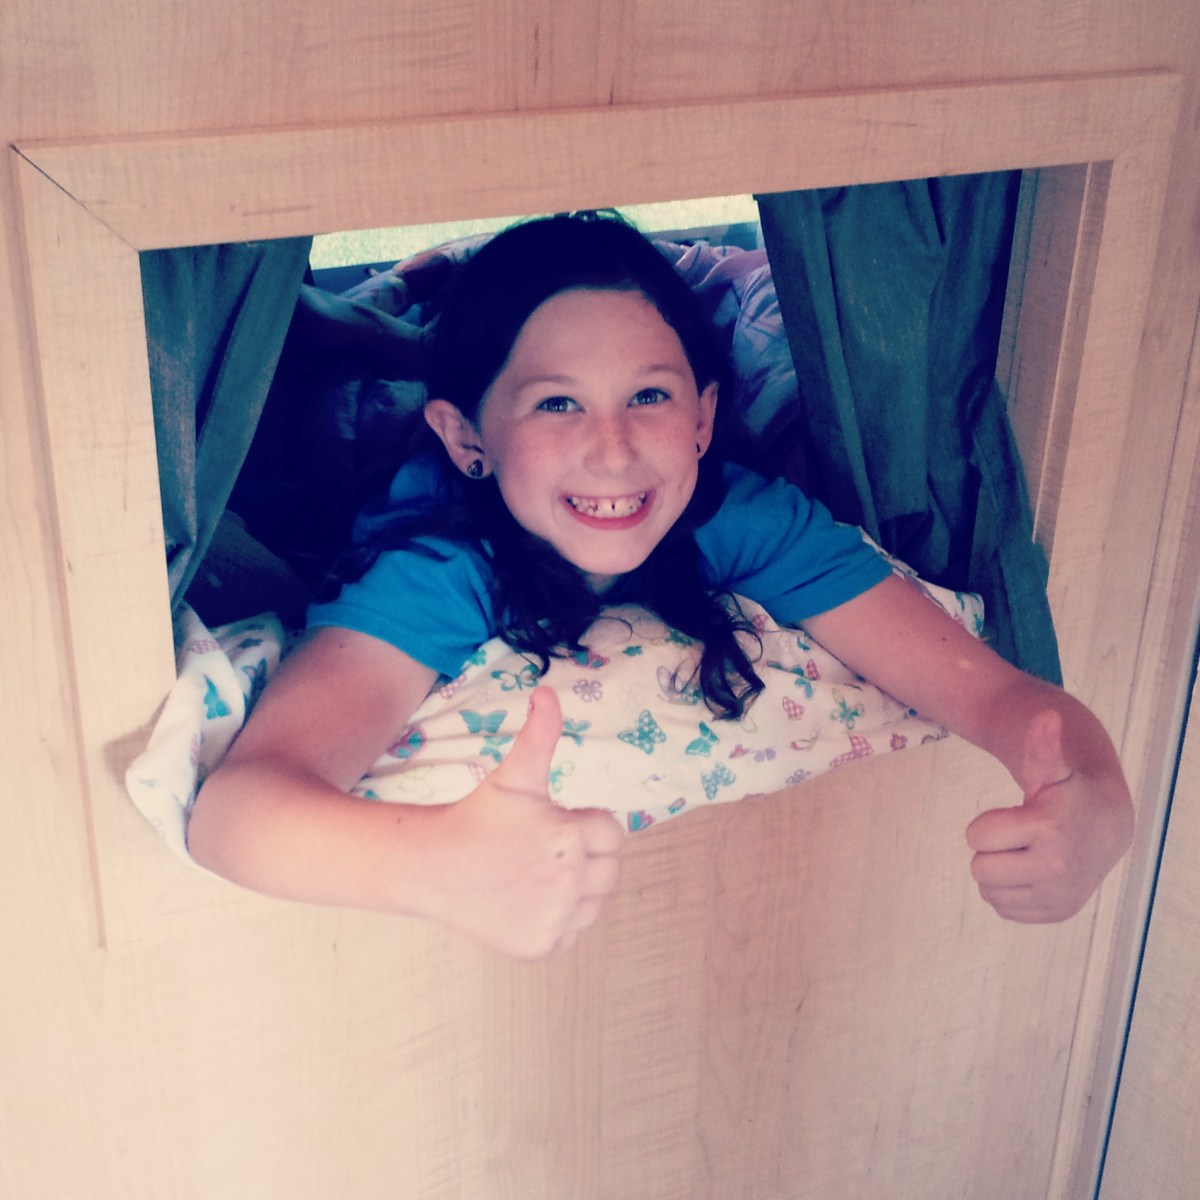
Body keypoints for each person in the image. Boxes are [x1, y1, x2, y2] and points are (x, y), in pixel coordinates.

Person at [187, 213, 1134, 960]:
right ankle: (370, 338)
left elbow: (994, 695)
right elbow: (237, 811)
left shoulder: (738, 515)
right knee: (320, 411)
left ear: (703, 418)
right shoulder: (439, 566)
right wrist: (432, 865)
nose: (613, 450)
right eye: (557, 402)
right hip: (375, 470)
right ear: (468, 437)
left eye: (649, 395)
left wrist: (1093, 786)